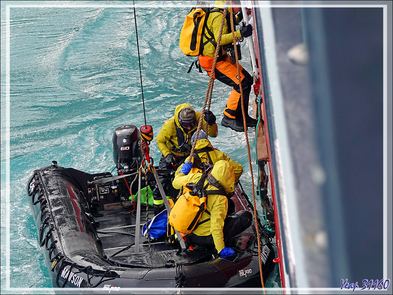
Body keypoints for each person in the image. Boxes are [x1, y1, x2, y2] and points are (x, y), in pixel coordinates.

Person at [172, 160, 252, 258]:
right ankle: (215, 246)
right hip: (204, 237)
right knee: (245, 217)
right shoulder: (220, 199)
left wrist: (183, 172)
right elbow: (216, 228)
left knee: (229, 204)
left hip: (189, 232)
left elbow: (175, 183)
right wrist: (221, 249)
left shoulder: (197, 177)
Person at [198, 1, 257, 132]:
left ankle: (242, 116)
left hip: (222, 58)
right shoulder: (219, 16)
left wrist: (242, 15)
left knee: (247, 79)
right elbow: (220, 39)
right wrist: (240, 33)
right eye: (239, 6)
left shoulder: (225, 12)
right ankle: (228, 117)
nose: (239, 9)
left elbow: (231, 22)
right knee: (241, 84)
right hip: (214, 62)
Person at [153, 103, 218, 214]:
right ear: (179, 121)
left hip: (191, 155)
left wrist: (211, 123)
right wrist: (167, 155)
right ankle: (158, 211)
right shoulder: (169, 126)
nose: (189, 127)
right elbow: (160, 140)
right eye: (185, 124)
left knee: (203, 177)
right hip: (173, 154)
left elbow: (213, 134)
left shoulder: (199, 118)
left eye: (191, 124)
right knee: (161, 182)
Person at [174, 130, 243, 183]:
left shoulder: (191, 159)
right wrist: (228, 183)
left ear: (193, 144)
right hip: (218, 188)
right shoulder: (219, 154)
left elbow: (177, 177)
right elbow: (238, 169)